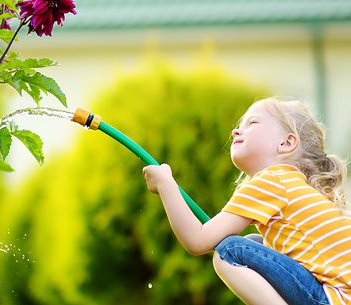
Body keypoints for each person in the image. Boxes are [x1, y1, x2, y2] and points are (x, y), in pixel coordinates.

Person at [142, 97, 350, 305]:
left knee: (230, 251)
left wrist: (165, 184)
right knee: (255, 243)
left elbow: (197, 240)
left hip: (333, 299)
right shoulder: (295, 186)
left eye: (252, 123)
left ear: (286, 143)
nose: (235, 132)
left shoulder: (273, 180)